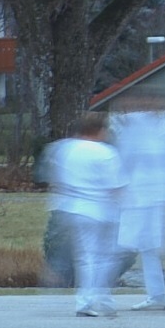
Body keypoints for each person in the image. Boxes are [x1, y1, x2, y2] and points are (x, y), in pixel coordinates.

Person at [113, 94, 165, 311]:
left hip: (157, 197)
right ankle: (158, 295)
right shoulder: (138, 126)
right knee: (148, 247)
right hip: (146, 197)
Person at [44, 113, 125, 317]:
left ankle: (87, 300)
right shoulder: (105, 153)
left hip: (72, 207)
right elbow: (116, 187)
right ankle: (100, 297)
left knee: (86, 256)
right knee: (106, 256)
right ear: (101, 130)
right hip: (99, 209)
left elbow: (54, 179)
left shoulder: (63, 148)